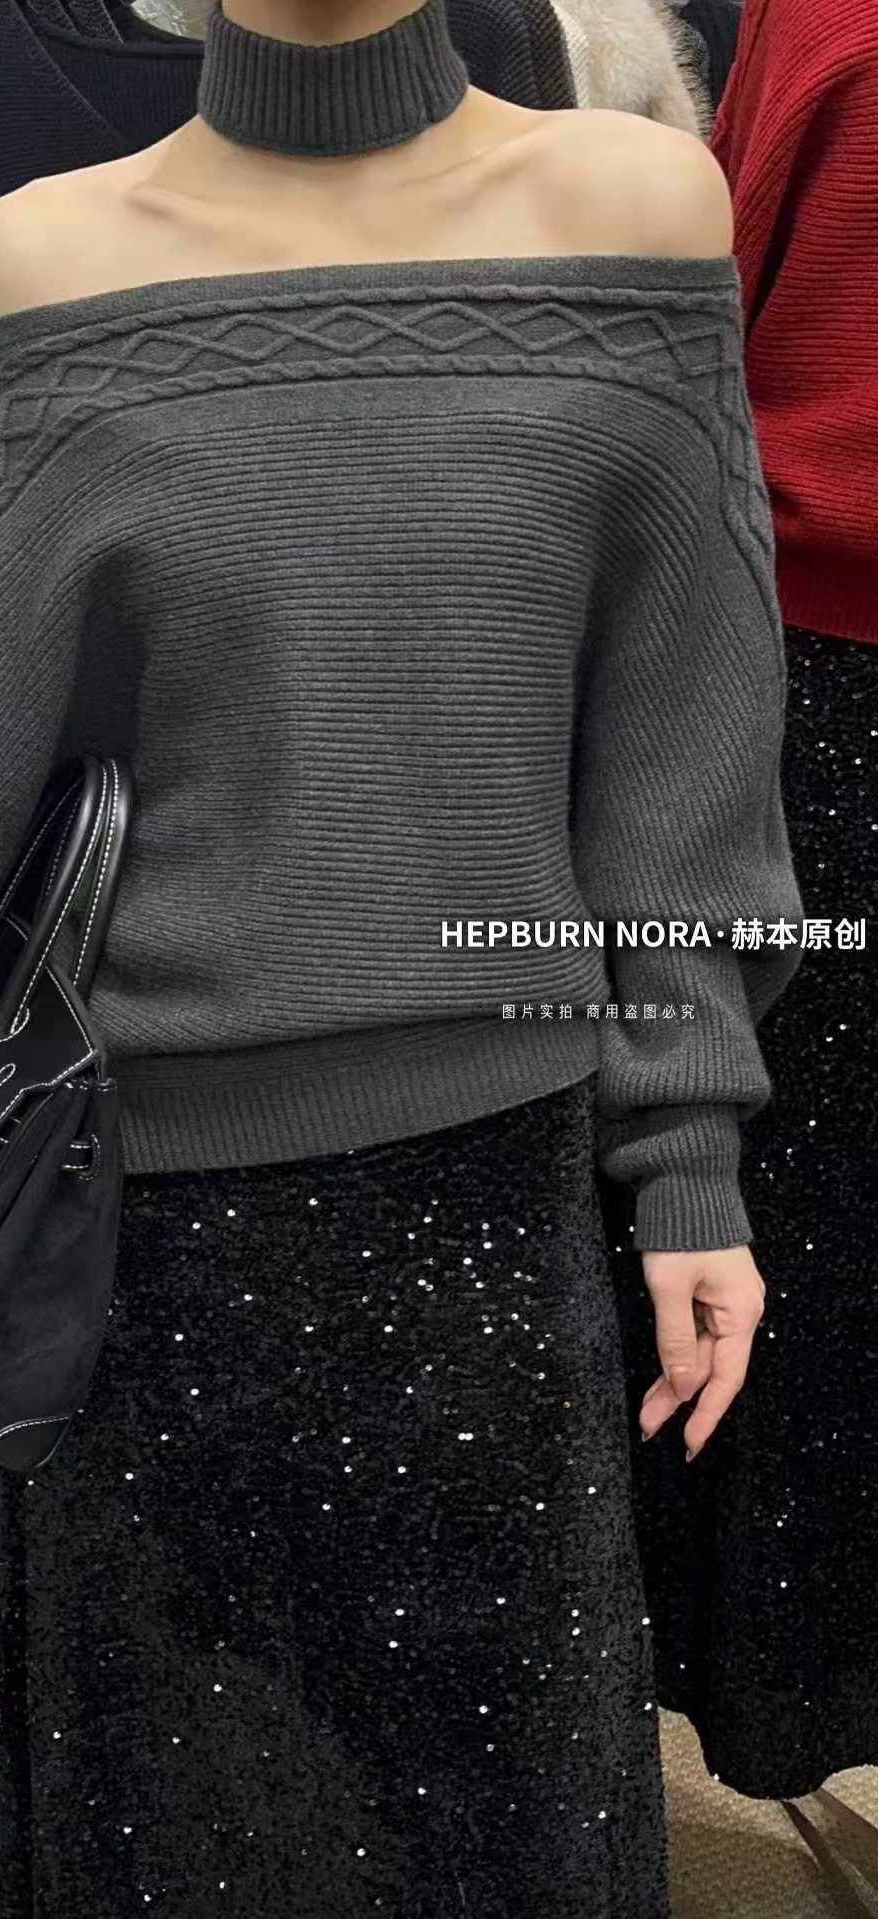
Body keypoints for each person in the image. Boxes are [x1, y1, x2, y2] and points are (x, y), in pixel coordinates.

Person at [0, 1, 802, 1911]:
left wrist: (691, 1158)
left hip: (489, 1240)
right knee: (183, 1847)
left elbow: (680, 745)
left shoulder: (637, 211)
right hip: (144, 1259)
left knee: (505, 1845)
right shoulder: (46, 256)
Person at [615, 0, 878, 1801]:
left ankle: (788, 1684)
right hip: (820, 676)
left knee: (801, 1210)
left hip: (815, 675)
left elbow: (705, 335)